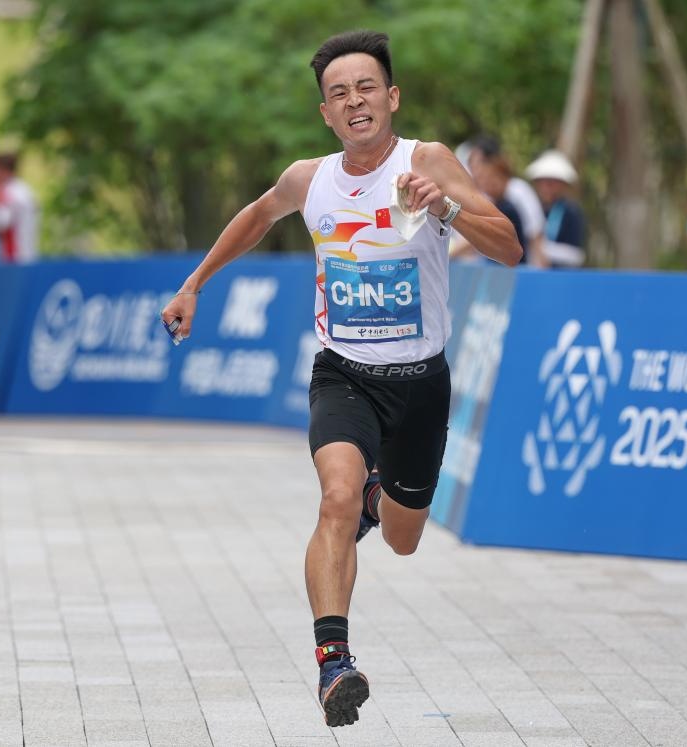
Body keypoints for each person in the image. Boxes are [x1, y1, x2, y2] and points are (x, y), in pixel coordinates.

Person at [161, 30, 521, 727]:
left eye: (365, 88)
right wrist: (193, 284)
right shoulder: (310, 178)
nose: (354, 101)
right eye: (338, 94)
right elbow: (257, 215)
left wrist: (444, 208)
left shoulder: (428, 161)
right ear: (325, 113)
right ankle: (334, 663)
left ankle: (378, 497)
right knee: (334, 498)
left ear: (391, 97)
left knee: (402, 539)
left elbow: (508, 248)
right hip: (343, 375)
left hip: (420, 383)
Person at [450, 138, 530, 263]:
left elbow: (477, 234)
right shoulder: (497, 204)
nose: (481, 181)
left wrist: (449, 255)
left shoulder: (508, 206)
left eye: (488, 177)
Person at [525, 149, 586, 269]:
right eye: (543, 182)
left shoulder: (571, 212)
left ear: (563, 185)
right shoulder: (531, 207)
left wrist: (541, 249)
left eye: (552, 183)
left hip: (560, 275)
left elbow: (576, 254)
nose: (547, 187)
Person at [0, 152, 39, 263]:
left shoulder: (7, 192)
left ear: (3, 171)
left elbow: (1, 222)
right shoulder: (26, 190)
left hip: (13, 253)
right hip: (29, 250)